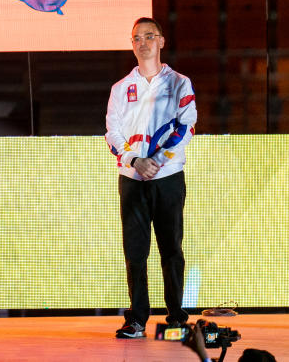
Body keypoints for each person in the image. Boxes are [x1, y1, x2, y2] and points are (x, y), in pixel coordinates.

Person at [105, 18, 196, 339]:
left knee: (171, 248)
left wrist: (156, 161)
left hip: (168, 177)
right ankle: (137, 319)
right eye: (136, 38)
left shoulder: (179, 83)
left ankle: (176, 317)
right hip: (131, 178)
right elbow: (112, 133)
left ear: (161, 41)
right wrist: (135, 160)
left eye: (148, 36)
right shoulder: (120, 88)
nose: (142, 43)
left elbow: (187, 126)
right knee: (135, 251)